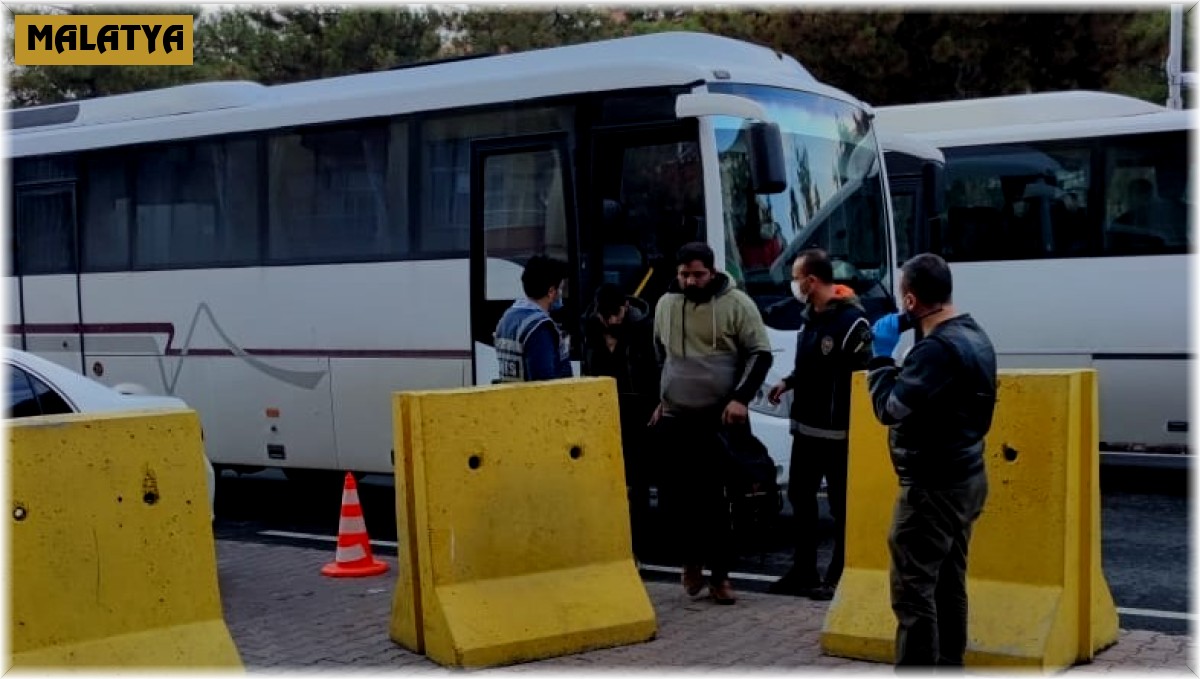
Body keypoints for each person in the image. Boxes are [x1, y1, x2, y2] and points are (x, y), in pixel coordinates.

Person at [866, 253, 997, 667]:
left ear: (910, 301)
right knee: (947, 582)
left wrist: (880, 358)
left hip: (931, 487)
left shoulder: (936, 350)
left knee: (912, 591)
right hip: (966, 475)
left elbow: (889, 408)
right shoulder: (975, 334)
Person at [651, 241, 773, 605]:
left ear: (713, 271)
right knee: (677, 499)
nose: (691, 281)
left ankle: (721, 576)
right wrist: (662, 398)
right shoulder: (665, 304)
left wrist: (740, 398)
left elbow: (760, 355)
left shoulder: (737, 304)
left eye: (698, 274)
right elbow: (660, 355)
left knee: (719, 500)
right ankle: (690, 562)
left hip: (720, 419)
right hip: (676, 416)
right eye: (685, 274)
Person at [765, 249, 872, 600]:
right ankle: (804, 570)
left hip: (837, 433)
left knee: (841, 507)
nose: (794, 285)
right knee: (800, 497)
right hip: (806, 428)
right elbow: (811, 366)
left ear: (811, 281)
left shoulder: (852, 323)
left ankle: (838, 576)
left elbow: (861, 378)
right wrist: (789, 382)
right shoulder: (810, 317)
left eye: (796, 279)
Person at [581, 283, 660, 559]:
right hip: (605, 410)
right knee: (610, 476)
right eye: (606, 316)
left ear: (626, 307)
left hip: (638, 408)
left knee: (639, 478)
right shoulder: (590, 328)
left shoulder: (642, 328)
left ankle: (641, 542)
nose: (612, 320)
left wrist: (657, 402)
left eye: (616, 314)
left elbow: (654, 368)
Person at [493, 255, 574, 383]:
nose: (560, 294)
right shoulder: (539, 327)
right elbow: (543, 382)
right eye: (560, 289)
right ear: (551, 292)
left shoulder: (508, 318)